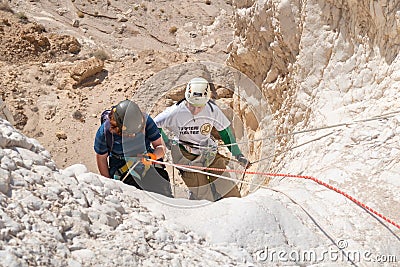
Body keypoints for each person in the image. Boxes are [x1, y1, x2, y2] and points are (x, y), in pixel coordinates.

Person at [154, 77, 251, 201]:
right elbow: (154, 125)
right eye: (192, 105)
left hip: (208, 150)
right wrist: (166, 142)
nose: (195, 110)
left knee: (230, 192)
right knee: (205, 199)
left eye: (199, 106)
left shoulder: (212, 110)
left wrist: (238, 155)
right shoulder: (174, 112)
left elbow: (225, 133)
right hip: (186, 155)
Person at [94, 99, 173, 197]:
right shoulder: (105, 133)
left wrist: (152, 156)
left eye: (137, 131)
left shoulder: (145, 121)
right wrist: (108, 183)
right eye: (129, 133)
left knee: (165, 195)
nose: (133, 135)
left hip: (147, 163)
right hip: (122, 168)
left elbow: (160, 147)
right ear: (118, 127)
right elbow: (101, 158)